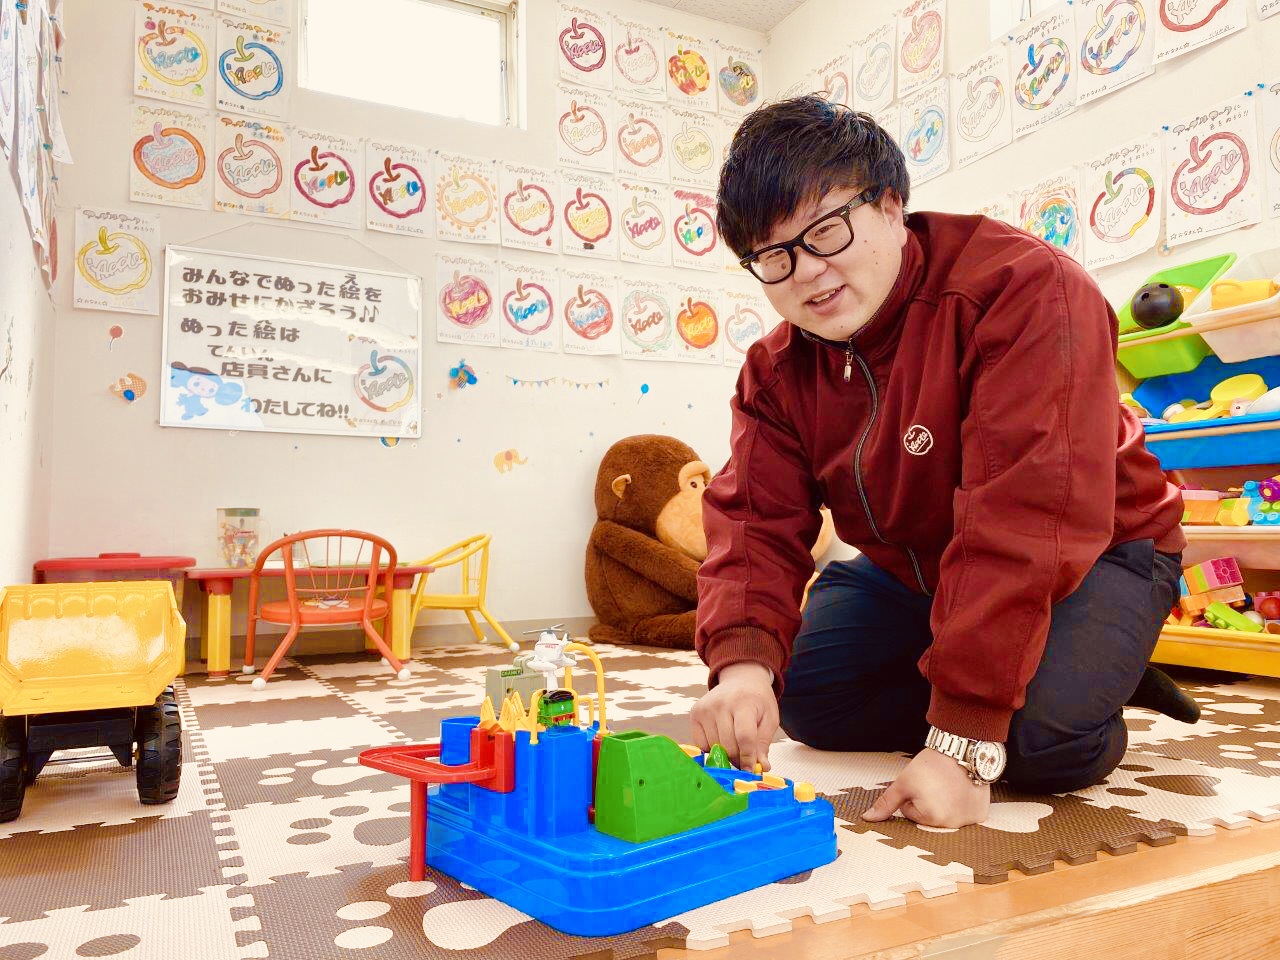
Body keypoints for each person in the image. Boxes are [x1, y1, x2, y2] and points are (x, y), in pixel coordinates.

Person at [691, 95, 1197, 830]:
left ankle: (1061, 686)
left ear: (890, 204)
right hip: (919, 571)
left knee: (1033, 741)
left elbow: (1028, 519)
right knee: (804, 697)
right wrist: (742, 667)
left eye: (826, 231)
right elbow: (752, 520)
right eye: (773, 256)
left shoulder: (1024, 289)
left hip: (1099, 552)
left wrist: (962, 740)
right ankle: (1030, 671)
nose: (806, 273)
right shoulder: (775, 371)